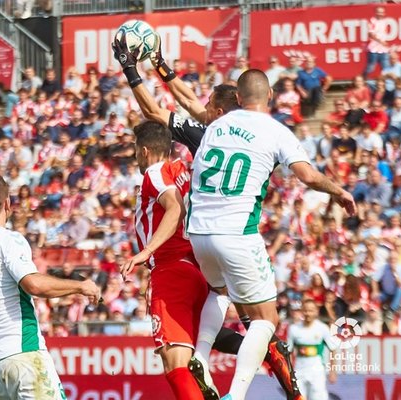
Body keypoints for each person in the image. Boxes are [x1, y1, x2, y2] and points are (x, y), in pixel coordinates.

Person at [113, 36, 304, 400]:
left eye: (208, 105)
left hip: (205, 244)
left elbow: (162, 111)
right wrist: (162, 66)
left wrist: (134, 69)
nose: (200, 108)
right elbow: (186, 99)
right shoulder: (252, 132)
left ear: (218, 110)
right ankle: (275, 363)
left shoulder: (209, 136)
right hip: (236, 235)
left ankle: (230, 373)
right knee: (249, 324)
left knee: (203, 339)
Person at [187, 69, 355, 400]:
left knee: (218, 291)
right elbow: (306, 175)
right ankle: (234, 395)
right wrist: (338, 192)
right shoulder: (276, 131)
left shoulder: (216, 125)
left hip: (198, 231)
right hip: (236, 232)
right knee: (265, 319)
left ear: (236, 98)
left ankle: (201, 356)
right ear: (271, 97)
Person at [0, 173, 100, 399]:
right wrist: (81, 286)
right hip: (22, 354)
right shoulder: (8, 239)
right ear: (7, 204)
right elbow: (34, 285)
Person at [119, 120, 209, 399]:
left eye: (135, 151)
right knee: (194, 360)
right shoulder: (181, 170)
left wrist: (147, 251)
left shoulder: (155, 172)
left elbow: (174, 206)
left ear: (144, 151)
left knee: (175, 365)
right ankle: (262, 348)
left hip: (171, 270)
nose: (136, 157)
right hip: (195, 270)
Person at [287, 300, 338, 400]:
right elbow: (288, 352)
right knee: (299, 398)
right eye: (305, 310)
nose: (308, 313)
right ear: (302, 311)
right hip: (299, 371)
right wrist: (289, 371)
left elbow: (333, 349)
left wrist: (333, 371)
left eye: (311, 311)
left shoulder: (322, 328)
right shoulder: (293, 329)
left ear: (316, 312)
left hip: (317, 371)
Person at [363, 6, 390, 78]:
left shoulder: (385, 22)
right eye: (379, 12)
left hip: (383, 50)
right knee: (370, 67)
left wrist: (384, 44)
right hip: (373, 49)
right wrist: (381, 42)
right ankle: (362, 79)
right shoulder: (372, 21)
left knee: (386, 68)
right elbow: (371, 34)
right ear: (376, 13)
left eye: (382, 12)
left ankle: (388, 85)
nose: (380, 13)